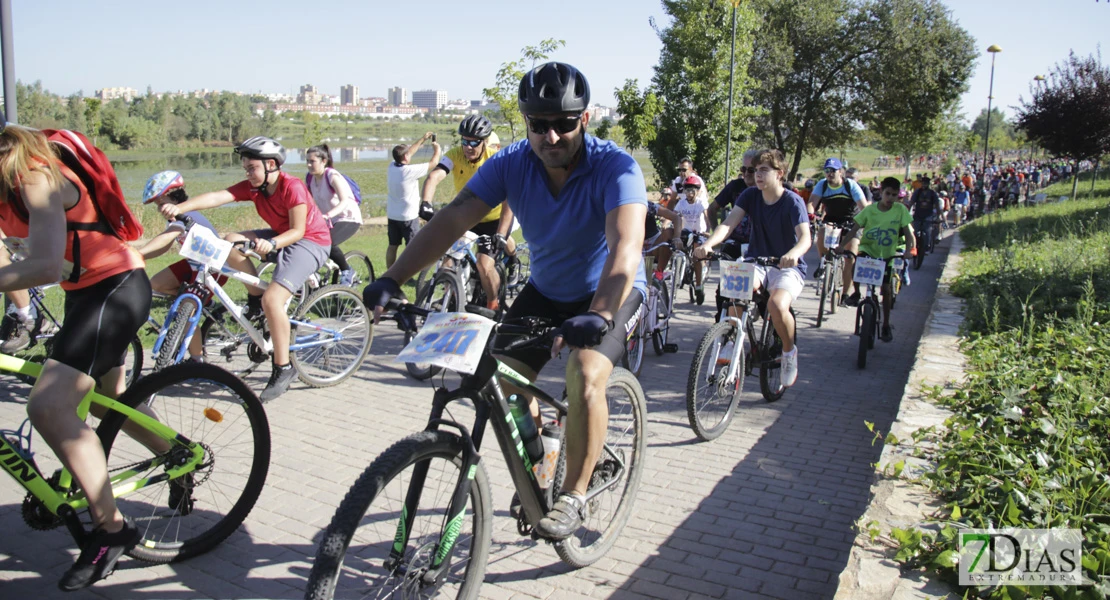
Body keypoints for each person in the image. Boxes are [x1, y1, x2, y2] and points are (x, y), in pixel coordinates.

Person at [363, 62, 647, 540]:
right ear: (525, 122)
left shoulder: (616, 167)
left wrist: (599, 312)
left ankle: (575, 495)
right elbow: (453, 218)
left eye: (564, 123)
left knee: (585, 374)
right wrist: (394, 277)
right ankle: (545, 458)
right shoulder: (511, 163)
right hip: (548, 289)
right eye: (539, 124)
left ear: (586, 118)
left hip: (608, 291)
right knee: (505, 378)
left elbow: (625, 251)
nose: (551, 136)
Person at [0, 123, 159, 590]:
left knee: (49, 406)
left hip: (115, 287)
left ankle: (112, 530)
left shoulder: (32, 171)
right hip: (84, 292)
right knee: (117, 403)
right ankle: (179, 459)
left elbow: (46, 266)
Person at [158, 136, 331, 402]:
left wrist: (271, 243)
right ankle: (254, 297)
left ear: (271, 165)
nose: (247, 173)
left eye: (251, 168)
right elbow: (219, 196)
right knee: (228, 240)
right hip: (279, 234)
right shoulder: (255, 188)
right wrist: (180, 208)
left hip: (310, 241)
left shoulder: (292, 187)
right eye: (245, 169)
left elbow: (297, 231)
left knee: (273, 300)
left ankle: (283, 368)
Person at [695, 148, 810, 387]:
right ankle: (729, 340)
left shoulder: (792, 201)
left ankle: (789, 353)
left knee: (776, 305)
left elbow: (805, 238)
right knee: (731, 292)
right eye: (755, 170)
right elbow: (728, 224)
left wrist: (792, 254)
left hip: (787, 266)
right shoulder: (749, 195)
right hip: (757, 261)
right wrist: (708, 244)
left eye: (763, 170)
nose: (757, 175)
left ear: (779, 174)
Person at [420, 115, 515, 310]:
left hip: (493, 219)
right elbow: (434, 176)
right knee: (448, 260)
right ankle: (451, 296)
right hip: (468, 217)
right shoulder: (455, 155)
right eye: (465, 141)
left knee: (483, 264)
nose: (468, 147)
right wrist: (426, 203)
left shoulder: (495, 159)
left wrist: (501, 233)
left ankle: (493, 305)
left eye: (474, 142)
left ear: (484, 142)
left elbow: (509, 199)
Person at [137, 171, 230, 361]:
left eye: (160, 203)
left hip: (213, 269)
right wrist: (141, 257)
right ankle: (207, 304)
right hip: (193, 265)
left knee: (185, 312)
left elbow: (167, 237)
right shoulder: (177, 215)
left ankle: (197, 360)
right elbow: (164, 247)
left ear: (171, 197)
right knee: (156, 283)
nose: (159, 209)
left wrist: (137, 253)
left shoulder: (184, 214)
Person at [839, 177, 917, 342]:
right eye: (887, 194)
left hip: (886, 255)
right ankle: (857, 292)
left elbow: (908, 233)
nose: (890, 198)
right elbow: (854, 230)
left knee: (887, 290)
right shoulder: (869, 210)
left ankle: (886, 324)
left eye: (894, 195)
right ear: (881, 192)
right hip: (869, 250)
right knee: (856, 262)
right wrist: (842, 245)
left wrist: (909, 249)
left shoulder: (900, 211)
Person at [808, 158, 868, 307]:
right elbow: (811, 203)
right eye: (827, 171)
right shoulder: (822, 185)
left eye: (833, 171)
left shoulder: (850, 185)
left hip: (851, 222)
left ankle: (845, 294)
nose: (829, 174)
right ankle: (824, 262)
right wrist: (810, 215)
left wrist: (865, 223)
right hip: (832, 220)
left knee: (850, 256)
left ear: (840, 172)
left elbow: (864, 207)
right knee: (821, 230)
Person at [305, 144, 364, 285]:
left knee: (327, 242)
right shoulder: (310, 178)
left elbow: (345, 201)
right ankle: (314, 272)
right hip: (330, 220)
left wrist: (327, 215)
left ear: (323, 161)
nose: (308, 165)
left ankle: (347, 270)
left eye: (312, 161)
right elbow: (307, 202)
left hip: (348, 218)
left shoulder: (332, 176)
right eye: (307, 161)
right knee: (307, 241)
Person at [386, 132, 441, 269]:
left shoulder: (392, 166)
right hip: (408, 217)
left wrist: (423, 138)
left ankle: (389, 273)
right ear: (405, 157)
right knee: (412, 248)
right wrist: (437, 149)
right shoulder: (409, 171)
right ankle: (407, 273)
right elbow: (434, 163)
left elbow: (407, 152)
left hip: (392, 215)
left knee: (393, 245)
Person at [673, 175, 711, 303]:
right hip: (686, 232)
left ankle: (699, 286)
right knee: (678, 247)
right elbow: (675, 216)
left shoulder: (701, 203)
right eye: (687, 190)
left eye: (692, 190)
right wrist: (667, 224)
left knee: (697, 255)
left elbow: (706, 217)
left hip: (699, 233)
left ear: (698, 191)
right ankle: (678, 271)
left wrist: (708, 231)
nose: (689, 193)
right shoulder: (681, 203)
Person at [645, 189, 683, 274]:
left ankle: (659, 274)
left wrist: (677, 237)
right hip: (635, 244)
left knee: (668, 232)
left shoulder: (650, 206)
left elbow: (676, 218)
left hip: (654, 242)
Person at [909, 175, 942, 252]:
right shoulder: (917, 192)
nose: (924, 185)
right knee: (915, 231)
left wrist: (938, 216)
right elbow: (911, 202)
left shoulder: (932, 193)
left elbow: (937, 206)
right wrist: (907, 212)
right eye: (923, 183)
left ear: (928, 184)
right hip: (918, 214)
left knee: (927, 231)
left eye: (926, 184)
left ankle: (927, 247)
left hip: (928, 215)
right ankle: (914, 246)